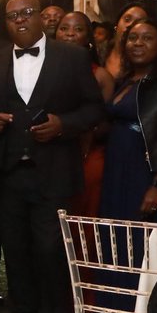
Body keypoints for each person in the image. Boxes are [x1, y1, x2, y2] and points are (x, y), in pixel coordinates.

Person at [0, 0, 105, 313]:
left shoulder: (72, 57)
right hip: (7, 174)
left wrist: (64, 125)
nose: (20, 20)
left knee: (50, 252)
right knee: (14, 251)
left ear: (41, 19)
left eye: (26, 13)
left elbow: (94, 109)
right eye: (12, 15)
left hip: (52, 173)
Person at [99, 20, 157, 222]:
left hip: (143, 170)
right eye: (133, 38)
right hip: (116, 164)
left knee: (138, 233)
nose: (138, 43)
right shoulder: (126, 80)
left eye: (147, 38)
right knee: (115, 231)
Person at [54, 11, 115, 218]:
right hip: (50, 154)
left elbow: (106, 122)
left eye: (78, 29)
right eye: (64, 28)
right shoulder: (41, 69)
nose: (70, 34)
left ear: (89, 38)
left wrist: (81, 130)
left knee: (83, 216)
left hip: (87, 156)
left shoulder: (101, 75)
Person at [104, 2, 150, 79]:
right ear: (116, 25)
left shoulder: (143, 62)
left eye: (138, 23)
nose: (130, 25)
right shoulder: (97, 53)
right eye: (127, 19)